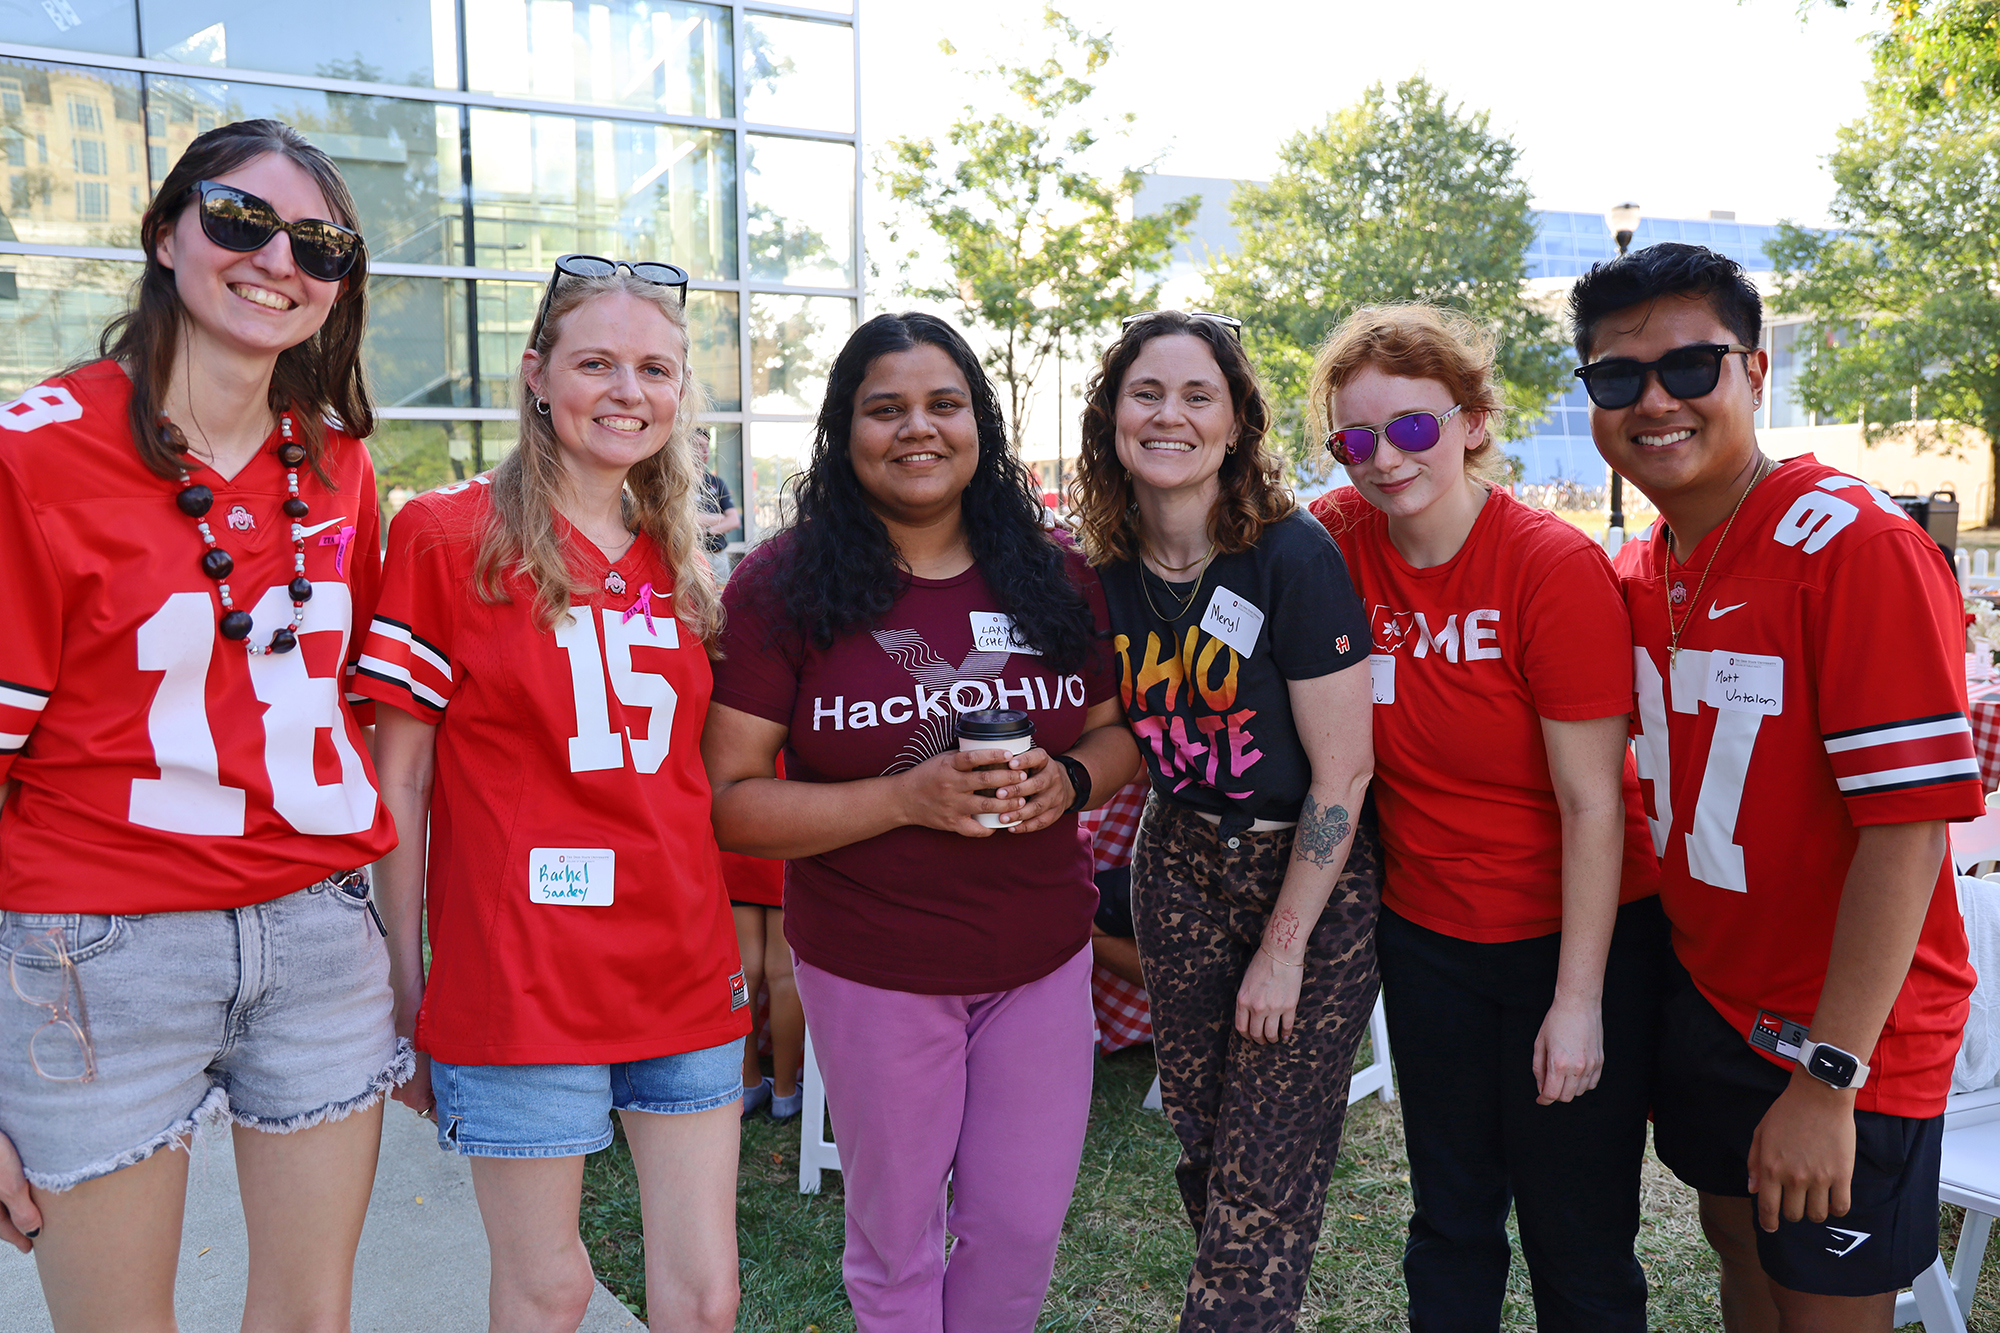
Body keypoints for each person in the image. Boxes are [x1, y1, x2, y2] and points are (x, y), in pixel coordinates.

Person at [0, 119, 405, 1330]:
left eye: (320, 243)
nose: (279, 258)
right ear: (166, 234)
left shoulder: (336, 465)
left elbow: (340, 708)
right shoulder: (34, 454)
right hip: (96, 950)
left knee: (307, 1318)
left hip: (321, 939)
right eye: (240, 219)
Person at [703, 310, 1140, 1332]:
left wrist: (1068, 782)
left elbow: (1116, 733)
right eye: (884, 408)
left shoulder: (1051, 573)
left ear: (977, 422)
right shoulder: (782, 586)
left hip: (1039, 955)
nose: (917, 429)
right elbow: (730, 801)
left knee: (1019, 1229)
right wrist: (905, 796)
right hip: (873, 966)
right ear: (841, 430)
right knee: (896, 1244)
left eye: (943, 404)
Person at [1575, 242, 1982, 1332]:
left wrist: (1828, 1075)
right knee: (1739, 1249)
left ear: (1753, 373)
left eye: (1689, 367)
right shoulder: (1637, 566)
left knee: (1821, 1301)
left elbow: (1906, 831)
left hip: (1846, 1029)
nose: (1652, 400)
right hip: (1710, 991)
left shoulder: (1855, 547)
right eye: (1616, 377)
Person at [361, 260, 746, 1332]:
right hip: (521, 979)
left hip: (679, 957)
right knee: (549, 1289)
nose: (627, 390)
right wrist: (405, 983)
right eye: (595, 363)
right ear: (536, 376)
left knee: (706, 1299)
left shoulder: (682, 555)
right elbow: (402, 774)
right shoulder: (445, 536)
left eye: (654, 368)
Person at [1304, 304, 1666, 1332]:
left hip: (1574, 932)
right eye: (1355, 439)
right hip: (1430, 942)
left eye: (1412, 428)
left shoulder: (1545, 565)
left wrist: (1578, 1000)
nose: (1384, 460)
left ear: (1469, 422)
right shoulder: (1337, 538)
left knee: (1576, 1232)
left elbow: (1592, 800)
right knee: (1451, 1219)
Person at [1068, 309, 1378, 1333]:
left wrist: (1284, 949)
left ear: (1236, 422)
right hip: (1178, 862)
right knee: (1206, 1147)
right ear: (1112, 414)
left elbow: (1342, 773)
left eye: (1197, 395)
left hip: (1306, 878)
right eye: (1145, 393)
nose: (1169, 415)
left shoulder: (1290, 556)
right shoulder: (1103, 569)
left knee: (1266, 1169)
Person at [725, 758, 803, 1122]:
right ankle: (786, 1092)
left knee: (744, 969)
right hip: (789, 822)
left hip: (738, 825)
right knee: (785, 974)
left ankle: (748, 1083)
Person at [694, 426, 740, 582]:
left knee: (721, 602)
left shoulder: (716, 482)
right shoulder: (680, 483)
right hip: (694, 557)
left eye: (707, 445)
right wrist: (720, 518)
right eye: (699, 446)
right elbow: (689, 519)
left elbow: (733, 520)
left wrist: (707, 531)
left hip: (719, 556)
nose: (705, 450)